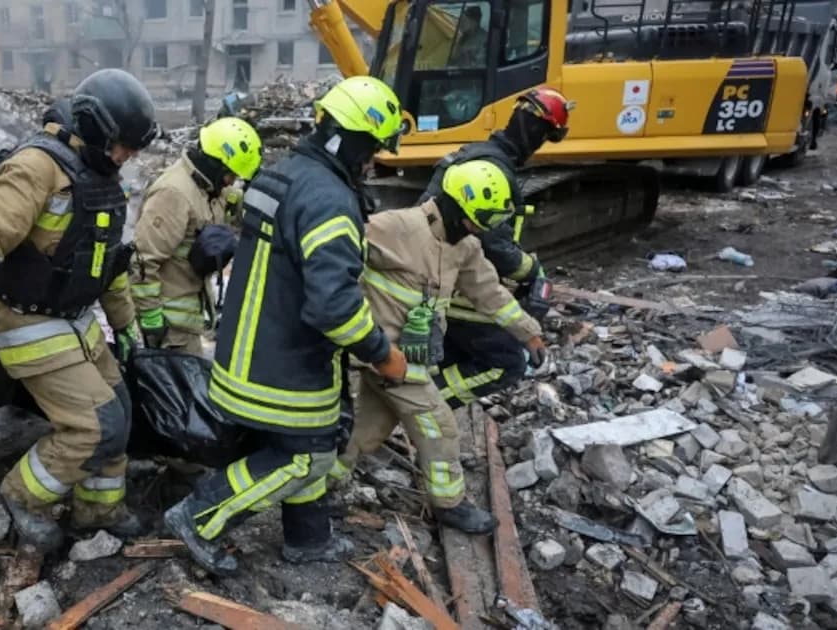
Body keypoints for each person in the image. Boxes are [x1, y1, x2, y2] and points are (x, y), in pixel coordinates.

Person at [163, 76, 409, 576]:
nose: (374, 162)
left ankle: (308, 538)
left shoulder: (282, 173)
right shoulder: (329, 201)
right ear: (357, 139)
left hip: (244, 351)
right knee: (310, 456)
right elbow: (334, 307)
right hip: (281, 367)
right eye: (374, 149)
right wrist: (383, 353)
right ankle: (198, 517)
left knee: (304, 443)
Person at [0, 68, 159, 551]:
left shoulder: (100, 176)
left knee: (119, 412)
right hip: (26, 319)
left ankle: (98, 509)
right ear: (96, 128)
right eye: (125, 146)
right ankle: (21, 497)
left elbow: (107, 264)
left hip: (73, 318)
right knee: (93, 426)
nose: (129, 158)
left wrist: (125, 322)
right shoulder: (35, 168)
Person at [331, 160, 548, 536]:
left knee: (368, 430)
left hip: (411, 356)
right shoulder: (396, 227)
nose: (485, 227)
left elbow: (489, 291)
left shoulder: (463, 247)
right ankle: (450, 505)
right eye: (484, 217)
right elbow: (332, 252)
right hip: (387, 355)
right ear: (463, 209)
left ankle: (319, 486)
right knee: (441, 428)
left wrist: (528, 333)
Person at [418, 86, 572, 408]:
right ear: (539, 133)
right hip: (446, 284)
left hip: (434, 273)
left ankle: (425, 392)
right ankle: (420, 406)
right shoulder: (496, 170)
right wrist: (533, 272)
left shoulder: (477, 153)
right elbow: (496, 249)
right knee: (507, 360)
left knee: (464, 346)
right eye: (545, 136)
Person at [132, 116, 262, 354]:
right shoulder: (174, 194)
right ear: (215, 163)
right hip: (171, 326)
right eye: (229, 174)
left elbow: (229, 207)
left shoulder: (209, 188)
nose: (231, 181)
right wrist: (151, 317)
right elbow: (142, 260)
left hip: (190, 317)